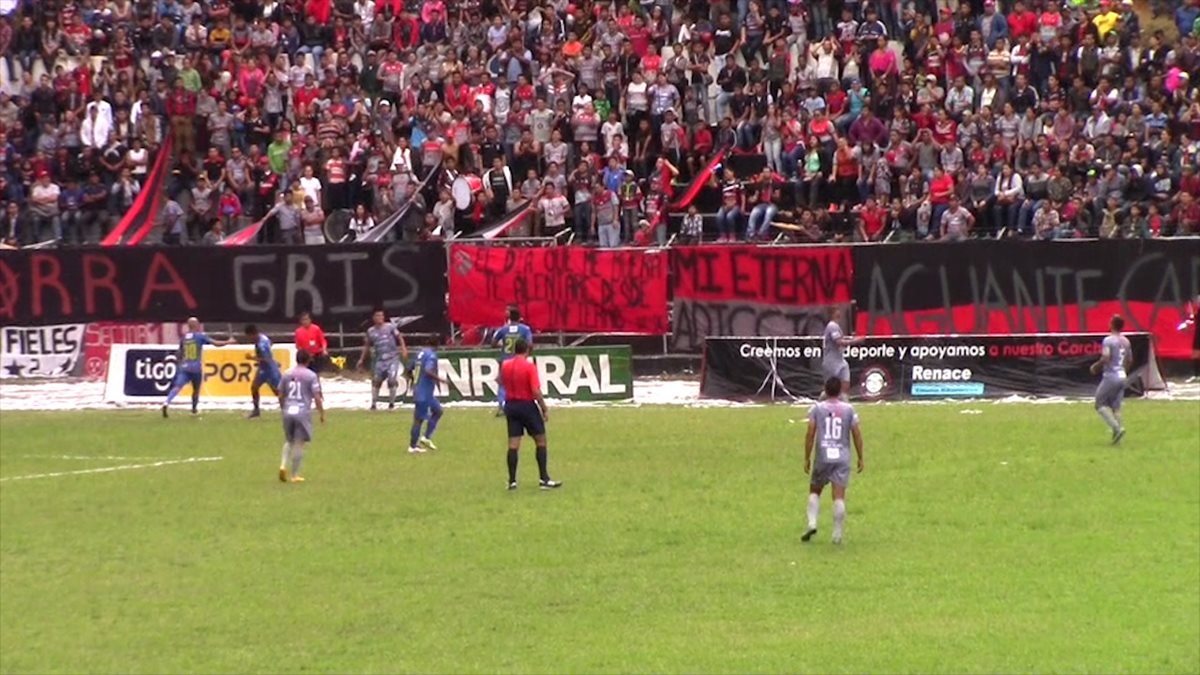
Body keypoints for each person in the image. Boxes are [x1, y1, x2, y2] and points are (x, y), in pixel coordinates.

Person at [803, 376, 865, 545]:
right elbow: (857, 434)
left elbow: (810, 433)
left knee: (815, 490)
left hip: (823, 455)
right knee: (838, 496)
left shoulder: (817, 409)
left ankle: (812, 523)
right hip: (842, 456)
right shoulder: (849, 409)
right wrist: (860, 456)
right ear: (840, 391)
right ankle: (837, 535)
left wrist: (807, 457)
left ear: (825, 389)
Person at [499, 339, 561, 491]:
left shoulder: (505, 365)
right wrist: (544, 407)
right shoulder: (529, 366)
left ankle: (512, 481)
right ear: (527, 350)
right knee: (540, 440)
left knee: (513, 444)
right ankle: (543, 479)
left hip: (511, 405)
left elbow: (500, 381)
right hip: (526, 405)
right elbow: (535, 390)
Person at [161, 317, 235, 417]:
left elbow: (179, 353)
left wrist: (180, 363)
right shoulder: (200, 337)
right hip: (196, 367)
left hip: (185, 366)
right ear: (196, 325)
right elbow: (215, 344)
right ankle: (194, 409)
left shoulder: (184, 338)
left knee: (177, 386)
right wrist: (228, 342)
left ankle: (167, 402)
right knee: (196, 390)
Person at [277, 349, 325, 483]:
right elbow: (316, 396)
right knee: (300, 442)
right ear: (308, 360)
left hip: (288, 410)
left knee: (289, 440)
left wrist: (283, 408)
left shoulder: (287, 374)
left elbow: (280, 394)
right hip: (302, 411)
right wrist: (321, 413)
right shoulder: (311, 375)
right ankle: (294, 475)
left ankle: (282, 465)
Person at [1090, 315, 1132, 445]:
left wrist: (1096, 366)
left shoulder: (1108, 340)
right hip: (1122, 375)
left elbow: (1106, 356)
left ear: (1112, 324)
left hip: (1111, 375)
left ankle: (1116, 428)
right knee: (1116, 407)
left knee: (1099, 403)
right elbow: (1129, 360)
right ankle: (1118, 438)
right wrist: (1124, 371)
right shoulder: (1126, 341)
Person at [357, 309, 409, 411]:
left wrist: (403, 349)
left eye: (381, 316)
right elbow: (367, 345)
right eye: (377, 316)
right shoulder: (371, 331)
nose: (379, 318)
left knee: (392, 379)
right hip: (380, 359)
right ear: (373, 318)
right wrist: (361, 359)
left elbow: (399, 337)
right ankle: (373, 404)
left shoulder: (390, 327)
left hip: (392, 358)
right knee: (376, 380)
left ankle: (391, 404)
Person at [493, 306, 533, 415]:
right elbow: (530, 344)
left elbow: (493, 343)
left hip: (505, 360)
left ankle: (502, 406)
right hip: (519, 359)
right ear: (519, 317)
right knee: (522, 382)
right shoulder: (525, 329)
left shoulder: (503, 329)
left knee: (502, 383)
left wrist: (502, 345)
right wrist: (527, 355)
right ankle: (521, 404)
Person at [408, 335, 444, 455]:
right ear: (437, 345)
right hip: (423, 393)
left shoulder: (420, 354)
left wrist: (414, 381)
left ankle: (426, 437)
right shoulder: (432, 356)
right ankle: (412, 446)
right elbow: (428, 371)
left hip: (424, 392)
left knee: (438, 411)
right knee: (418, 420)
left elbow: (409, 369)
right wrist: (440, 379)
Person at [823, 306, 861, 397]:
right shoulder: (832, 326)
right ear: (832, 314)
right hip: (831, 361)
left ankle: (843, 402)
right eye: (837, 311)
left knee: (845, 382)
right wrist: (856, 341)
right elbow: (839, 342)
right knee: (830, 387)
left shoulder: (837, 326)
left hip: (840, 359)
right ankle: (824, 403)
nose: (840, 313)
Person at [245, 324, 281, 419]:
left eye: (249, 336)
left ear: (252, 334)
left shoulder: (261, 345)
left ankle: (286, 411)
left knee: (277, 391)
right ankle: (256, 411)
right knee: (254, 387)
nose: (249, 339)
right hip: (263, 369)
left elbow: (266, 359)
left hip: (269, 370)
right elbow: (271, 343)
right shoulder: (264, 338)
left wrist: (251, 358)